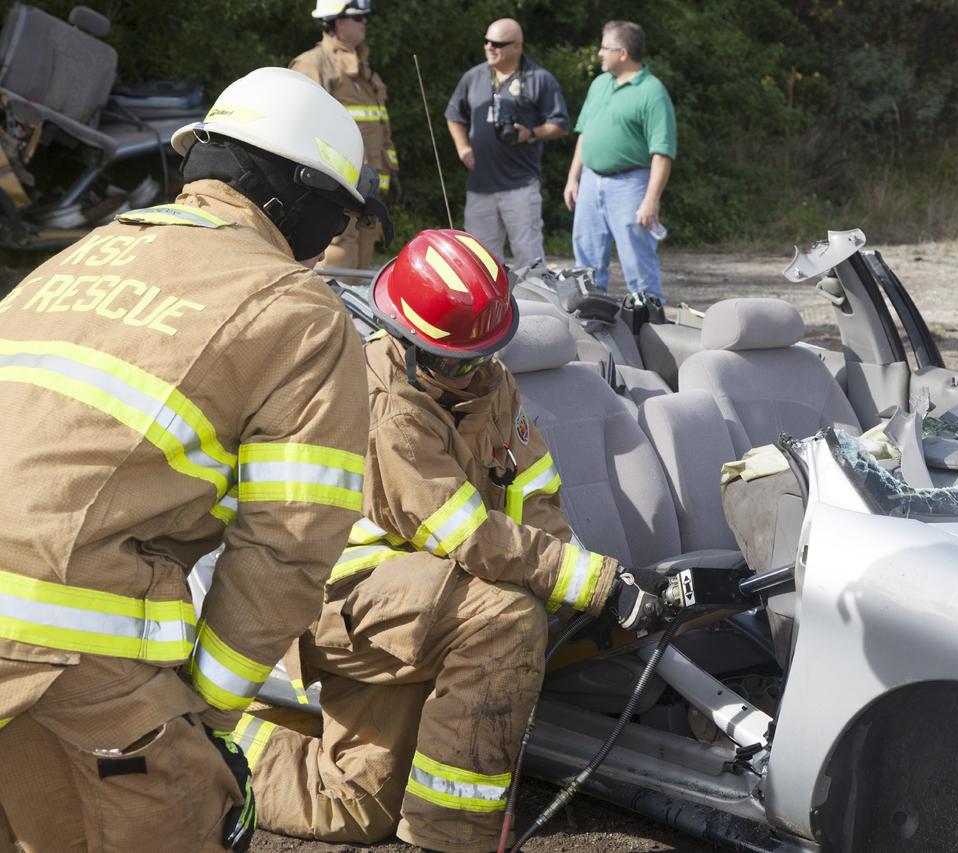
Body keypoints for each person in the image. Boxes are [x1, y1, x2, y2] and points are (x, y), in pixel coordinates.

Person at [0, 66, 386, 852]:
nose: (335, 237)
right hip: (64, 651)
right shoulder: (297, 312)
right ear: (297, 193)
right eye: (337, 214)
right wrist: (204, 710)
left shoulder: (80, 257)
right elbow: (289, 544)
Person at [240, 229, 667, 852]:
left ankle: (214, 741)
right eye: (448, 361)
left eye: (480, 355)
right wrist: (592, 581)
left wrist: (574, 581)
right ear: (403, 340)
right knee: (506, 617)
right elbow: (466, 532)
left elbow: (535, 495)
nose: (467, 374)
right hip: (343, 602)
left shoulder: (491, 383)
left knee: (352, 808)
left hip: (430, 602)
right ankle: (450, 836)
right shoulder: (388, 404)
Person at [564, 20, 676, 303]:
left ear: (623, 53)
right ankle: (589, 322)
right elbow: (585, 132)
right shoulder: (600, 84)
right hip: (590, 180)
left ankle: (648, 323)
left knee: (638, 262)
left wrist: (651, 200)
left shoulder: (652, 92)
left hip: (631, 184)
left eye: (605, 48)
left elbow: (662, 152)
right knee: (586, 262)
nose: (599, 53)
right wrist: (573, 177)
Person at [446, 18, 570, 268]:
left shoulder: (539, 79)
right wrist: (463, 148)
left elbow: (560, 124)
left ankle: (535, 306)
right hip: (480, 185)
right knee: (480, 261)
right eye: (487, 41)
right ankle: (491, 308)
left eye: (499, 43)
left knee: (528, 256)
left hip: (520, 184)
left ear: (517, 46)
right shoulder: (474, 76)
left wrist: (530, 133)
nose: (490, 47)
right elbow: (453, 114)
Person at [291, 0, 398, 273]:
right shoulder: (312, 65)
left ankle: (357, 315)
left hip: (368, 184)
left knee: (364, 250)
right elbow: (301, 124)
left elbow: (379, 125)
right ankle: (331, 311)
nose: (365, 22)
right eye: (358, 17)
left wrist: (391, 172)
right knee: (337, 248)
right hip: (335, 183)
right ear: (338, 22)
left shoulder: (363, 69)